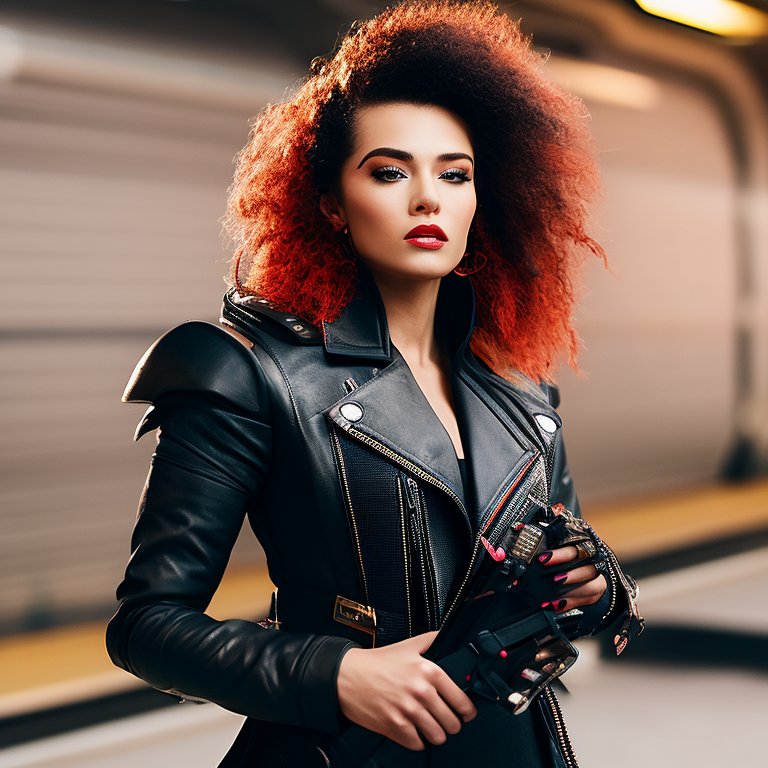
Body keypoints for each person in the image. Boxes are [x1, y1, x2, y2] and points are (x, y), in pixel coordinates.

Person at [106, 2, 640, 766]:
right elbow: (147, 626)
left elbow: (562, 580)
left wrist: (597, 587)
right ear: (330, 203)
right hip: (344, 751)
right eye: (390, 172)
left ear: (480, 201)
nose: (428, 198)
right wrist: (337, 673)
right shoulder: (245, 371)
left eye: (455, 175)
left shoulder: (520, 393)